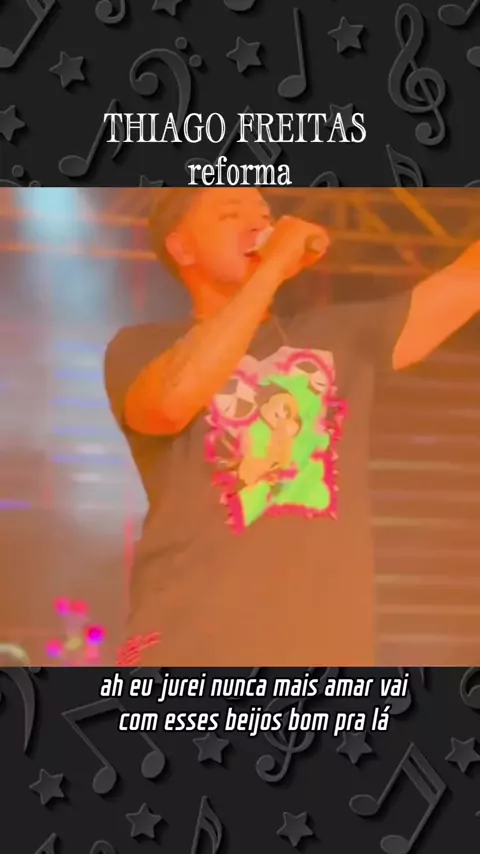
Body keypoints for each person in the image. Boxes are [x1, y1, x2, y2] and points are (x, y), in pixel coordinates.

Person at [105, 187, 479, 667]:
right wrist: (273, 268)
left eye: (264, 213)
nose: (258, 223)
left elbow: (467, 281)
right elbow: (170, 402)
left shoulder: (341, 336)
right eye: (230, 213)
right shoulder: (142, 347)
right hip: (189, 643)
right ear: (182, 248)